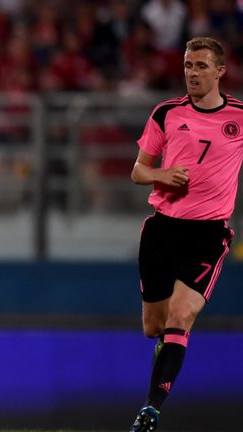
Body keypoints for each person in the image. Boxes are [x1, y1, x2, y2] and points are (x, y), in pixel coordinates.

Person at [129, 36, 240, 432]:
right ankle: (166, 355)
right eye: (188, 65)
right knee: (154, 326)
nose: (192, 73)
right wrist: (161, 174)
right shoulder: (166, 114)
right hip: (161, 229)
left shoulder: (241, 117)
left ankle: (151, 409)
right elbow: (138, 171)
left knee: (181, 317)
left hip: (208, 234)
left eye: (201, 66)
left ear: (220, 72)